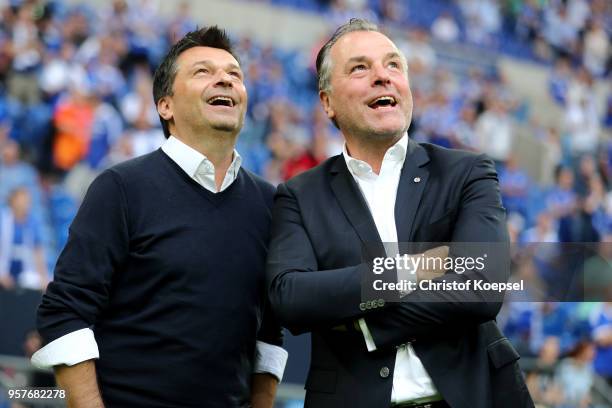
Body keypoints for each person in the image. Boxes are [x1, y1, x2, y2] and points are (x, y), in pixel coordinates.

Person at [266, 19, 533, 408]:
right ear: (327, 102)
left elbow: (481, 286)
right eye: (360, 67)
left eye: (393, 65)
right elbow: (292, 298)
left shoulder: (466, 171)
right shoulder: (298, 195)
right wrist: (411, 270)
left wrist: (363, 321)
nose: (382, 77)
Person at [32, 27, 287, 408]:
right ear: (165, 106)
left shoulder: (271, 203)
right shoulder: (120, 188)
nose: (225, 79)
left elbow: (268, 331)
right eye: (203, 71)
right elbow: (65, 311)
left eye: (234, 74)